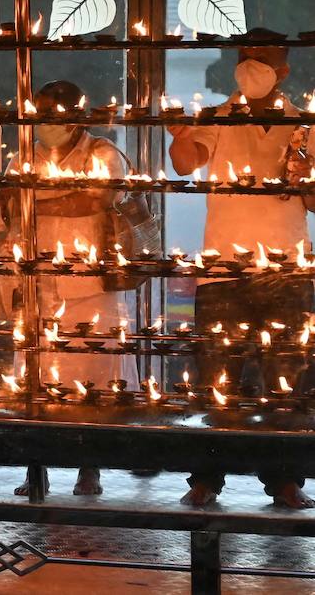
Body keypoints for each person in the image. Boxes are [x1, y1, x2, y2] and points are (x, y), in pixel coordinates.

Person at [167, 33, 314, 509]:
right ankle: (206, 478)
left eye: (263, 60)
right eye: (245, 58)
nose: (252, 67)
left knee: (286, 376)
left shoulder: (306, 125)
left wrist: (305, 168)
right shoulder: (218, 118)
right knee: (217, 375)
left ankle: (286, 479)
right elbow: (187, 164)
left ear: (284, 70)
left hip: (287, 268)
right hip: (223, 267)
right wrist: (180, 137)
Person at [10, 80, 136, 497]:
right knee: (39, 377)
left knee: (93, 378)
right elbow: (10, 202)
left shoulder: (102, 152)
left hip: (89, 284)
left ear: (76, 116)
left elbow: (95, 200)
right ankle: (36, 468)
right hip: (39, 281)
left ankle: (89, 468)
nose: (46, 123)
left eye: (53, 114)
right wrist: (32, 202)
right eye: (41, 114)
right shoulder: (27, 156)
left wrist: (38, 203)